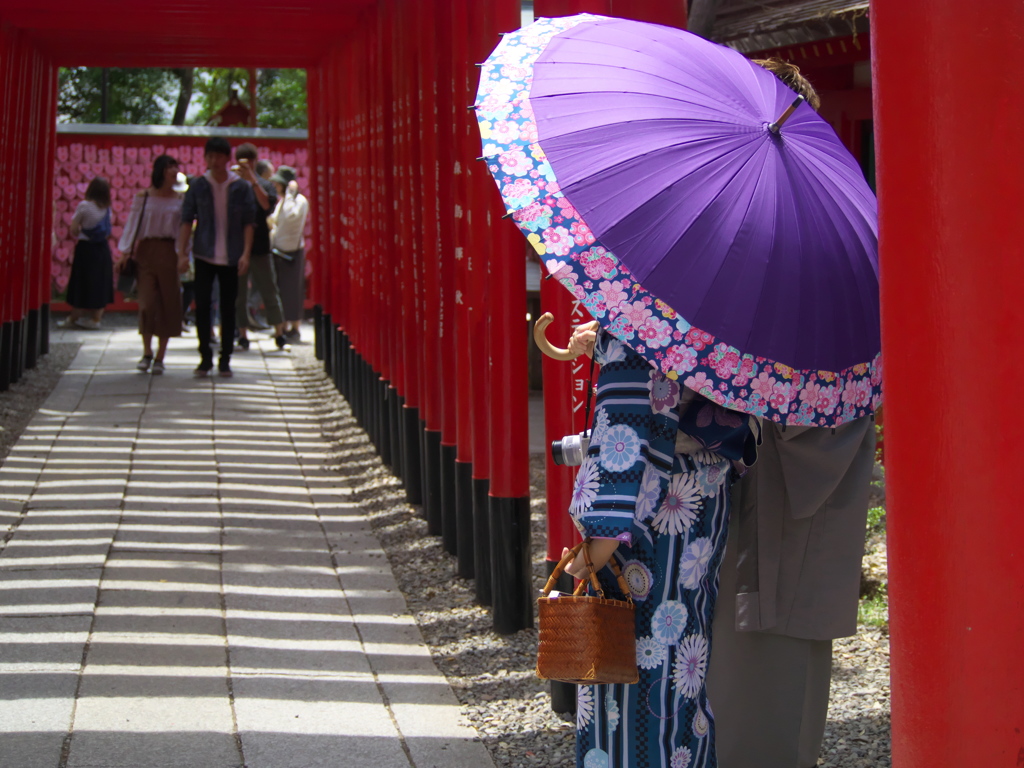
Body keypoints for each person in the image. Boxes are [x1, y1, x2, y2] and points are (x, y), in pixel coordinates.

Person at [704, 57, 876, 768]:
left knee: (757, 695)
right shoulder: (814, 230)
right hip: (775, 487)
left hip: (775, 490)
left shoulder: (807, 242)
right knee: (769, 691)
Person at [564, 321, 757, 768]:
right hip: (704, 494)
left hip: (646, 503)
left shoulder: (640, 309)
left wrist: (600, 537)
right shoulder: (719, 301)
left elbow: (624, 426)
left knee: (625, 668)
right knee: (685, 663)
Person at [178, 136, 256, 378]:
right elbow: (186, 219)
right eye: (209, 156)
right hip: (204, 252)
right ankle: (204, 357)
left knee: (228, 306)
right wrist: (181, 252)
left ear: (226, 158)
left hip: (232, 255)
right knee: (202, 305)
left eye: (218, 156)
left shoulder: (240, 186)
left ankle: (225, 358)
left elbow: (249, 222)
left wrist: (245, 253)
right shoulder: (199, 185)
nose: (214, 161)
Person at [116, 155, 185, 374]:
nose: (173, 171)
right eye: (169, 168)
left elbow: (183, 232)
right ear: (160, 171)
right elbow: (132, 225)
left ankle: (160, 357)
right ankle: (147, 352)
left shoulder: (180, 200)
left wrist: (183, 255)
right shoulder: (143, 197)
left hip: (169, 251)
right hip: (146, 251)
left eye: (176, 168)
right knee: (146, 303)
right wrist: (125, 251)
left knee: (168, 302)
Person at [232, 143, 288, 352]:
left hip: (261, 246)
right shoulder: (232, 184)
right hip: (236, 246)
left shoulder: (265, 184)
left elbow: (267, 206)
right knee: (239, 294)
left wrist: (253, 181)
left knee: (269, 290)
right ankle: (242, 333)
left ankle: (279, 333)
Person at [64, 176, 114, 330]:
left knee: (81, 282)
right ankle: (96, 319)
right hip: (102, 249)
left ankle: (74, 317)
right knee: (100, 282)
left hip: (85, 248)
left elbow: (73, 228)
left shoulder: (84, 206)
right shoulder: (107, 209)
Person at [267, 165, 309, 341]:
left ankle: (295, 326)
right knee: (281, 291)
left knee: (293, 291)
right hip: (278, 251)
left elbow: (291, 217)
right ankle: (283, 325)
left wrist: (291, 194)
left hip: (292, 252)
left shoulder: (298, 201)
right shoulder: (283, 201)